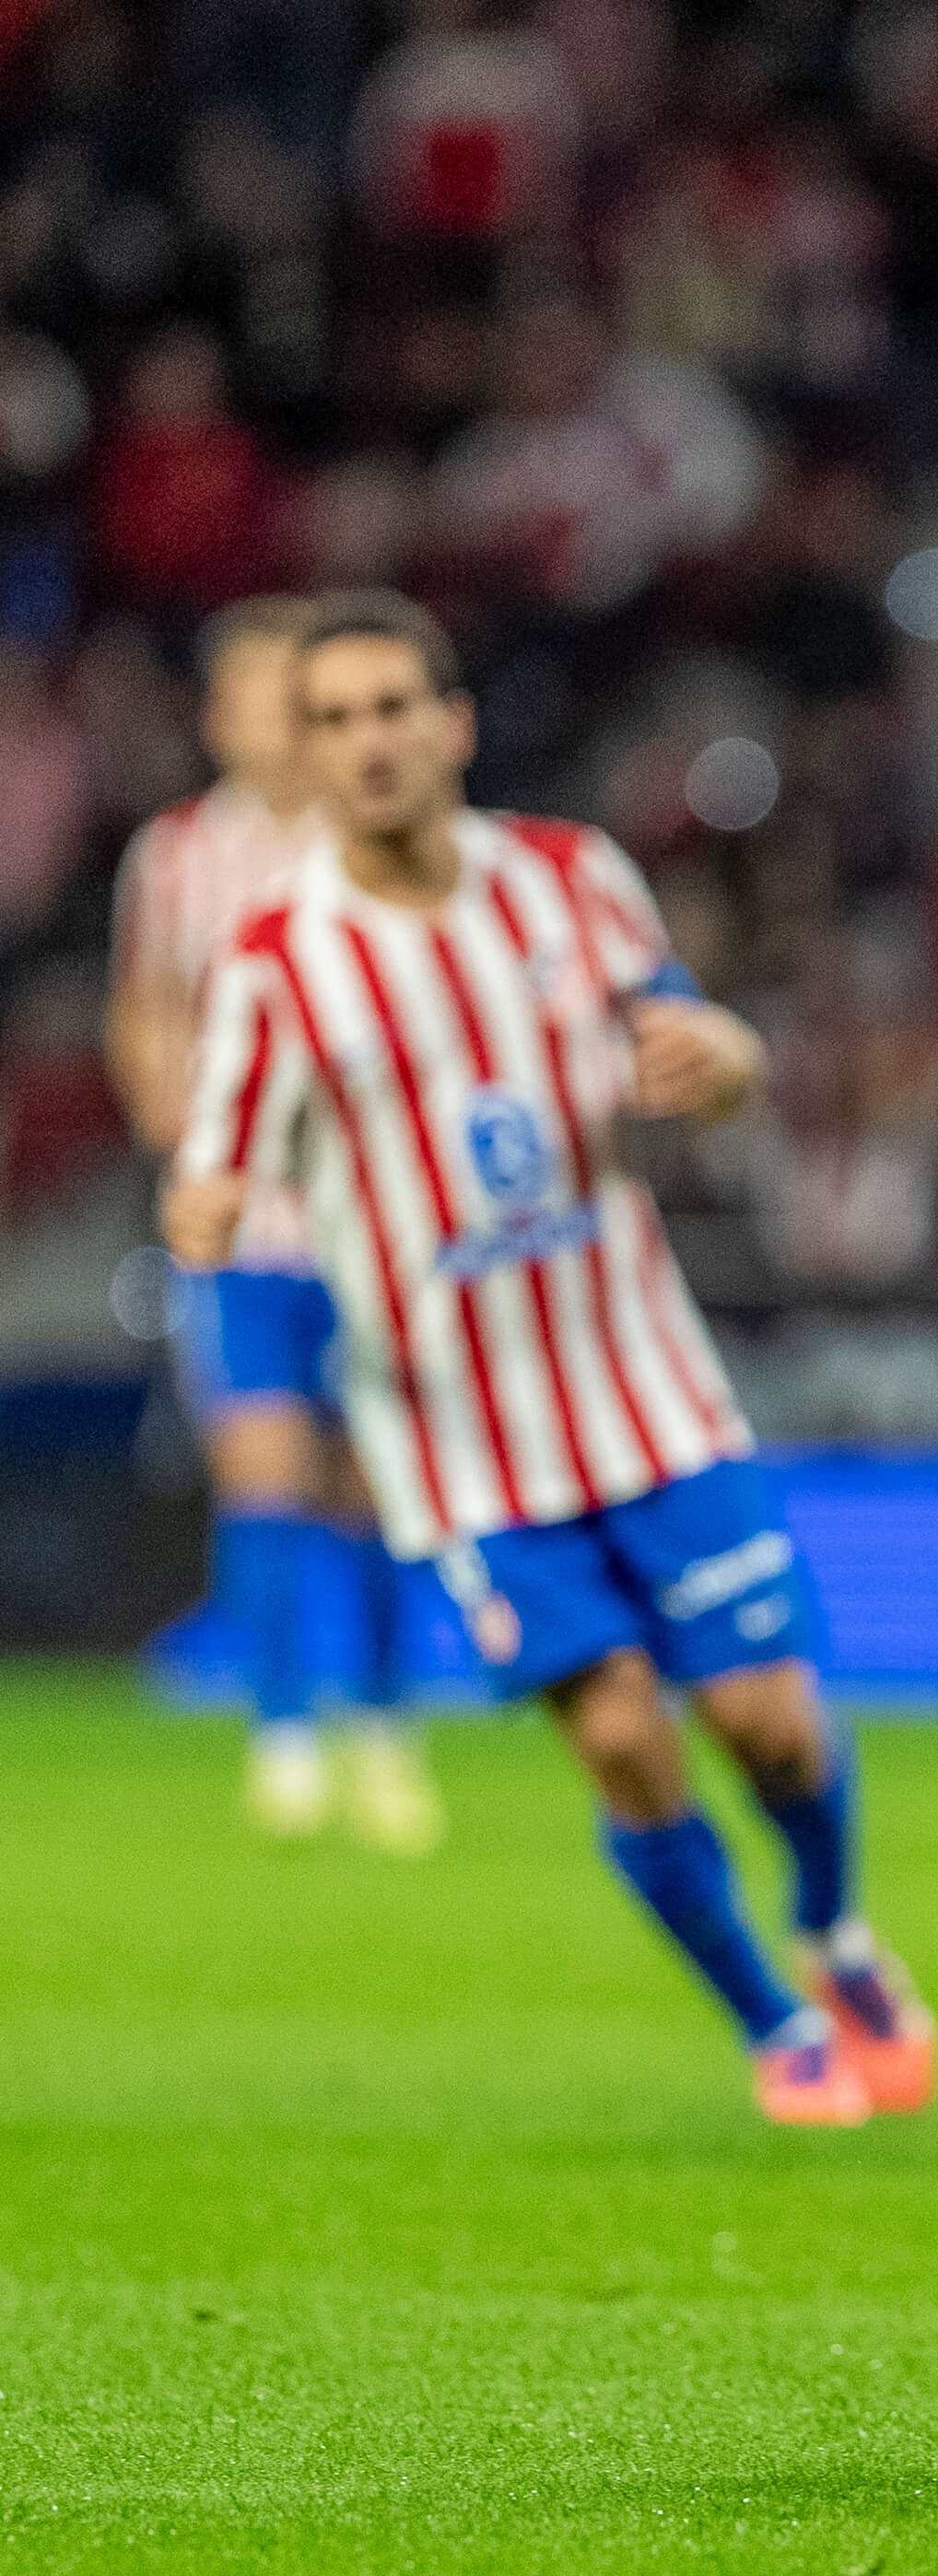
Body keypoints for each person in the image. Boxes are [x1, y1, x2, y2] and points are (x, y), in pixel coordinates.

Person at [163, 592, 936, 2131]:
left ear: (453, 724)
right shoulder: (275, 963)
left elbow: (700, 1049)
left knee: (769, 1722)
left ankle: (838, 1928)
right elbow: (215, 1172)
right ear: (303, 760)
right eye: (335, 720)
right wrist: (196, 1210)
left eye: (396, 706)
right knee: (627, 1742)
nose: (371, 741)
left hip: (648, 1391)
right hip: (464, 1448)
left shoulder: (575, 882)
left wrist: (722, 1062)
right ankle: (773, 2022)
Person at [107, 597, 441, 1854]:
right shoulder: (177, 854)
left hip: (378, 1227)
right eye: (244, 694)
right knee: (261, 1470)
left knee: (373, 1487)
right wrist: (171, 1122)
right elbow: (146, 1002)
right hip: (241, 1230)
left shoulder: (391, 849)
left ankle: (386, 1726)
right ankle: (285, 1732)